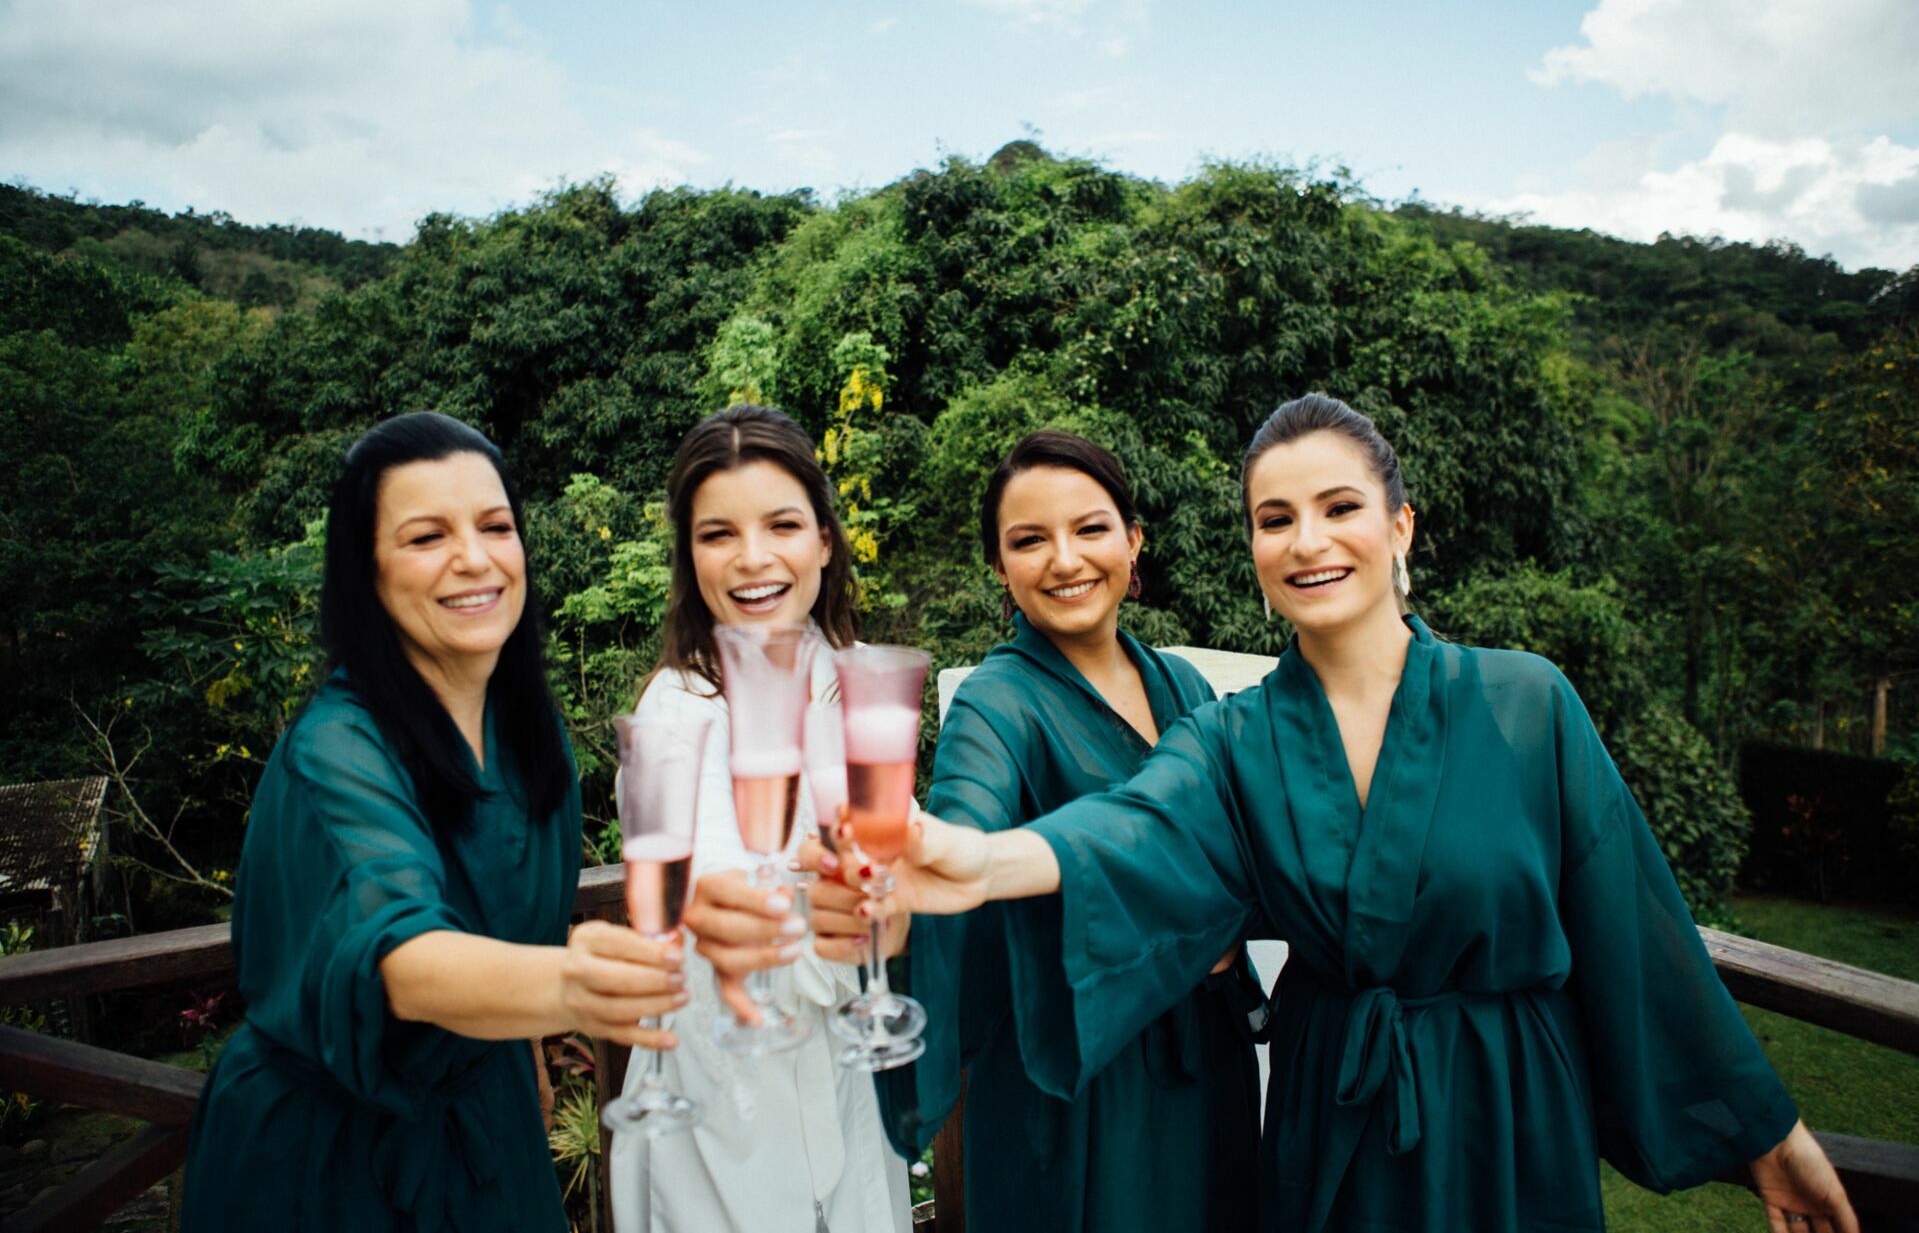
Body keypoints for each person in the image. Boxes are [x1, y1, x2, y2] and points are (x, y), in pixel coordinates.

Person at [729, 394, 1861, 1233]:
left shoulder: (1527, 702)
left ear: (1402, 524)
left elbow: (1638, 931)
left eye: (1338, 508)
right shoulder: (1234, 732)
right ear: (1255, 549)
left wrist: (1767, 1130)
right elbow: (1134, 828)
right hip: (1335, 1117)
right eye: (1277, 518)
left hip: (1504, 1117)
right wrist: (965, 858)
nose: (1309, 540)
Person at [183, 413, 686, 1233]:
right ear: (367, 573)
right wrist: (569, 985)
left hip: (488, 1125)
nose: (475, 558)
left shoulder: (531, 737)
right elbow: (402, 954)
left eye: (496, 526)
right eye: (426, 537)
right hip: (332, 1168)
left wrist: (520, 1042)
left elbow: (504, 916)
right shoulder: (338, 748)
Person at [803, 430, 1263, 1232]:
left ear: (1133, 540)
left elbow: (1241, 852)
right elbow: (966, 821)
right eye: (1029, 541)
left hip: (1203, 1066)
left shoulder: (1181, 683)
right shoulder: (996, 700)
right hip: (1078, 1082)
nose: (1065, 560)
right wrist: (918, 887)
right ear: (1001, 570)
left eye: (1089, 529)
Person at [613, 404, 910, 1233]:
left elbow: (890, 921)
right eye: (717, 534)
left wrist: (888, 905)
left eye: (782, 524)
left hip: (846, 1098)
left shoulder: (859, 688)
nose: (753, 559)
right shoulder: (672, 710)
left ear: (823, 538)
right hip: (718, 1107)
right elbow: (699, 907)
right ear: (689, 555)